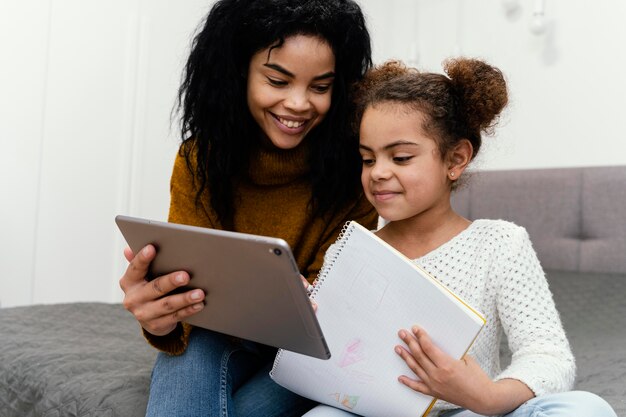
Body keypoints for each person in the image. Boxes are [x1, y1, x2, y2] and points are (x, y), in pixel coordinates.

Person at [302, 59, 618, 416]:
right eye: (367, 159)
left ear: (456, 159)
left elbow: (549, 356)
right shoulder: (348, 250)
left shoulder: (499, 244)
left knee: (586, 408)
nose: (378, 172)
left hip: (473, 411)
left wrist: (488, 397)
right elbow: (338, 361)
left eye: (401, 157)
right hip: (379, 412)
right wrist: (306, 320)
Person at [118, 1, 377, 416]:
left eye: (320, 87)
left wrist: (316, 300)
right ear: (240, 71)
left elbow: (336, 315)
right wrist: (160, 318)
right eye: (278, 80)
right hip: (217, 335)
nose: (298, 104)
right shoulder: (199, 159)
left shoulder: (359, 171)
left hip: (308, 354)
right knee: (197, 344)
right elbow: (187, 305)